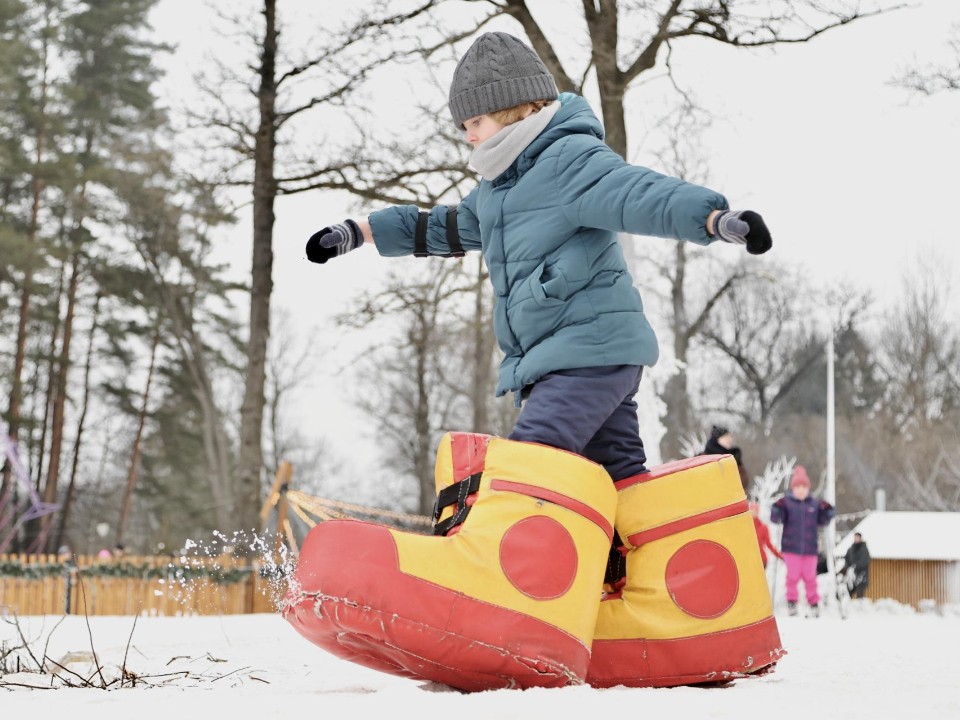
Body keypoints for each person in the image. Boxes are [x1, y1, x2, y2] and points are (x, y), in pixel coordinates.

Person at [306, 31, 772, 485]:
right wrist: (361, 232)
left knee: (528, 469)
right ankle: (635, 558)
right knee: (615, 484)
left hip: (588, 354)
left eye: (475, 123)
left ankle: (499, 560)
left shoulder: (568, 159)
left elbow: (637, 193)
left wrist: (714, 218)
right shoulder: (497, 190)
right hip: (576, 360)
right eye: (464, 127)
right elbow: (445, 227)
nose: (468, 137)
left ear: (512, 111)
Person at [770, 465, 835, 617]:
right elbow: (775, 518)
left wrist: (827, 510)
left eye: (803, 487)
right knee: (792, 577)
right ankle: (791, 602)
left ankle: (813, 603)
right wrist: (777, 508)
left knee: (810, 577)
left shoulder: (814, 504)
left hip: (810, 549)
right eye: (797, 487)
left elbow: (824, 520)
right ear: (793, 488)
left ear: (808, 488)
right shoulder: (787, 503)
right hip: (791, 548)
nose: (800, 490)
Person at [701, 425, 750, 491]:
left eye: (730, 436)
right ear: (716, 440)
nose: (730, 439)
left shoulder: (734, 456)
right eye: (726, 437)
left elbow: (743, 481)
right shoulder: (703, 457)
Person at [749, 502, 783, 569]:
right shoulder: (745, 527)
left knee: (757, 579)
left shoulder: (763, 528)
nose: (752, 512)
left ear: (757, 512)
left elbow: (769, 545)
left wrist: (779, 555)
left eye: (754, 510)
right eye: (751, 510)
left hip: (761, 561)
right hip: (748, 560)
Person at [841, 532, 871, 599]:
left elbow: (865, 561)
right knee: (849, 591)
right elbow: (846, 558)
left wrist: (855, 566)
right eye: (855, 537)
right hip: (851, 575)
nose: (856, 539)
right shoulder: (851, 549)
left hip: (861, 574)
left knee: (859, 594)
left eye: (857, 537)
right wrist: (849, 567)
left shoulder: (864, 549)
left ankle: (860, 607)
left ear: (860, 538)